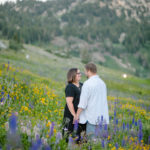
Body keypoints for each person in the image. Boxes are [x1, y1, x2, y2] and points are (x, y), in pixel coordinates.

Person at [75, 62, 109, 140]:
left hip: (92, 119)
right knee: (100, 145)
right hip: (103, 119)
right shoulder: (103, 83)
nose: (85, 73)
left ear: (89, 70)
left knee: (91, 145)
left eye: (85, 71)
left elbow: (83, 103)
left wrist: (76, 116)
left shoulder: (88, 83)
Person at [62, 68, 86, 143]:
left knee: (79, 138)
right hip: (71, 115)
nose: (80, 74)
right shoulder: (70, 87)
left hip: (81, 115)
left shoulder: (82, 85)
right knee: (67, 135)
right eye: (78, 73)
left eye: (80, 73)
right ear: (73, 75)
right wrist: (75, 115)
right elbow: (69, 103)